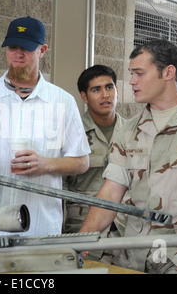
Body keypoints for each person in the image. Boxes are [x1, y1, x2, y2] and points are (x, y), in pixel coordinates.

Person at [79, 39, 177, 274]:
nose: (131, 81)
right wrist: (83, 239)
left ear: (168, 72)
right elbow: (110, 194)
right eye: (131, 74)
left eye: (139, 73)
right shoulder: (128, 130)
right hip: (133, 259)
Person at [0, 16, 90, 236]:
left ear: (42, 50)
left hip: (41, 228)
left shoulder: (62, 101)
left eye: (26, 48)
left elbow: (82, 162)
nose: (18, 54)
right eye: (13, 47)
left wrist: (47, 164)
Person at [63, 65, 126, 262]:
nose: (105, 95)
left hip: (127, 230)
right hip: (85, 229)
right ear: (84, 96)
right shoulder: (72, 133)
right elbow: (60, 186)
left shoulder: (134, 132)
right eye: (96, 90)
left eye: (109, 87)